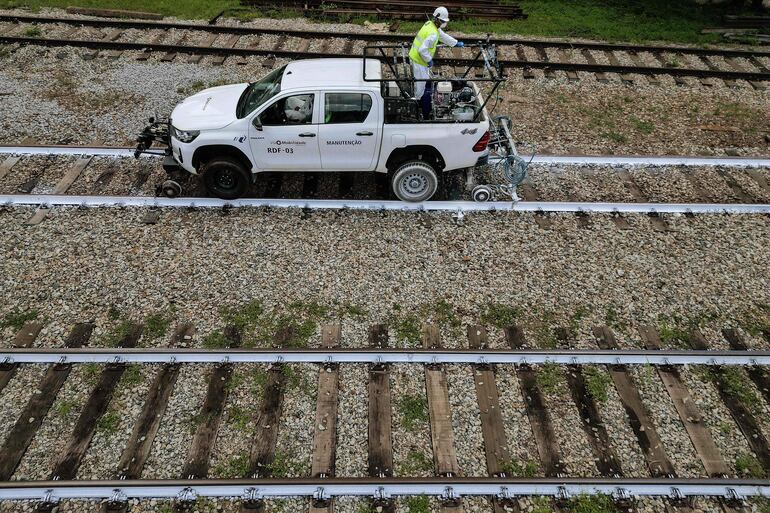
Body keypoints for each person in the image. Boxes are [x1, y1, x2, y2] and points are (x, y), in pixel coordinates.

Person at [408, 6, 464, 119]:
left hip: (414, 57)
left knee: (421, 85)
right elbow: (422, 50)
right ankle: (416, 111)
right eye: (443, 21)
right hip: (419, 62)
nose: (444, 23)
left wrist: (454, 43)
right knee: (419, 89)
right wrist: (429, 60)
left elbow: (441, 35)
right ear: (438, 20)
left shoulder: (430, 24)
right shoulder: (432, 34)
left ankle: (419, 105)